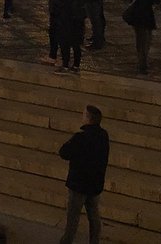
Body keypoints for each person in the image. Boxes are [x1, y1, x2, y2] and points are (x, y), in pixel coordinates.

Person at [57, 104, 110, 244]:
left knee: (73, 218)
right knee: (94, 216)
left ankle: (66, 242)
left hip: (79, 184)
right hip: (95, 183)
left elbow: (63, 152)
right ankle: (94, 241)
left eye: (83, 114)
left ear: (88, 118)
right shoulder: (103, 135)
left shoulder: (81, 137)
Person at [124, 0, 160, 75]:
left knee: (139, 39)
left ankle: (140, 59)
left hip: (136, 15)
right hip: (146, 15)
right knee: (146, 40)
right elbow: (156, 0)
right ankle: (142, 62)